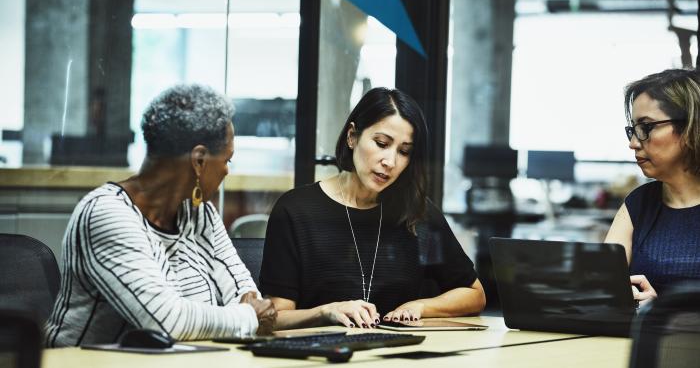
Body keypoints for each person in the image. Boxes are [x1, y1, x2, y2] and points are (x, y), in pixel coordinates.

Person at [45, 84, 276, 347]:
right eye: (227, 160)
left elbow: (248, 297)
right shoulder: (106, 213)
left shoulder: (201, 215)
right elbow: (166, 321)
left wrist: (245, 313)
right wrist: (246, 317)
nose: (226, 172)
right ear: (199, 160)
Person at [259, 87, 486, 330]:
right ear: (352, 137)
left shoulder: (418, 213)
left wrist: (419, 306)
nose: (390, 162)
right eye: (381, 143)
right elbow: (275, 317)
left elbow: (474, 293)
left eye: (404, 151)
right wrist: (327, 311)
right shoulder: (295, 210)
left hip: (399, 354)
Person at [605, 69, 700, 307]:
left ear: (690, 126)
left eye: (646, 127)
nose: (633, 143)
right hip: (645, 342)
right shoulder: (638, 203)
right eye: (633, 129)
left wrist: (664, 308)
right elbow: (600, 286)